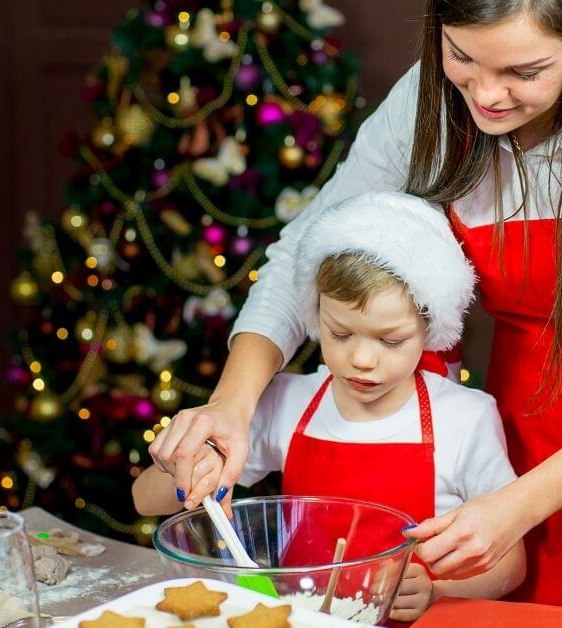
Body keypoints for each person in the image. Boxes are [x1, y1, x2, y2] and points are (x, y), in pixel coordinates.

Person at [153, 0, 562, 624]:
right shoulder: (429, 98)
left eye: (525, 71)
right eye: (462, 57)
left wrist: (517, 509)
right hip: (518, 430)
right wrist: (232, 403)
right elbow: (306, 249)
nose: (487, 95)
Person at [140, 192, 525, 622]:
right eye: (340, 334)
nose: (362, 359)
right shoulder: (288, 402)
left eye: (391, 341)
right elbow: (143, 500)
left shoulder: (465, 419)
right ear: (316, 313)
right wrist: (189, 469)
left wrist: (438, 590)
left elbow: (511, 565)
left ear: (430, 326)